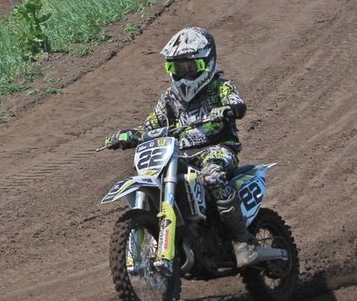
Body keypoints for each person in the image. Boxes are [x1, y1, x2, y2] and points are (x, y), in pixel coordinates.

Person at [104, 26, 257, 267]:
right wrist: (127, 136)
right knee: (153, 177)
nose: (184, 75)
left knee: (212, 175)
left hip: (217, 149)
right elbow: (150, 125)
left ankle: (242, 240)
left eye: (191, 67)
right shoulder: (169, 98)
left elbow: (237, 103)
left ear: (207, 63)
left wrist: (230, 108)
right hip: (180, 155)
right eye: (177, 68)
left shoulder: (220, 87)